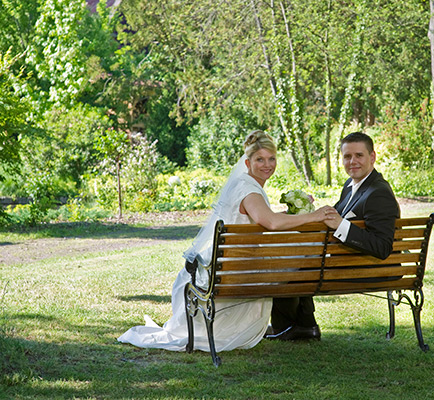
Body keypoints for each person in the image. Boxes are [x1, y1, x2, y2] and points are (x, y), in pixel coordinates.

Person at [118, 130, 334, 353]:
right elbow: (269, 222)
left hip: (229, 266)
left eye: (271, 159)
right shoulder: (248, 189)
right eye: (260, 159)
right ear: (248, 162)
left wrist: (290, 214)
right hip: (238, 269)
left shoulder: (245, 184)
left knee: (296, 256)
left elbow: (259, 218)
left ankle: (298, 325)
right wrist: (314, 216)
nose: (267, 165)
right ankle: (302, 323)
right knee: (303, 255)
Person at [267, 131, 400, 341]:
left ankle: (290, 326)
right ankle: (302, 325)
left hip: (369, 268)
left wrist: (341, 225)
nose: (352, 161)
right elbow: (334, 220)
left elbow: (382, 246)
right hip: (338, 262)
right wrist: (306, 212)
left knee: (291, 265)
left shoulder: (378, 193)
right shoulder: (350, 185)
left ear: (372, 157)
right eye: (347, 156)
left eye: (359, 155)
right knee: (294, 260)